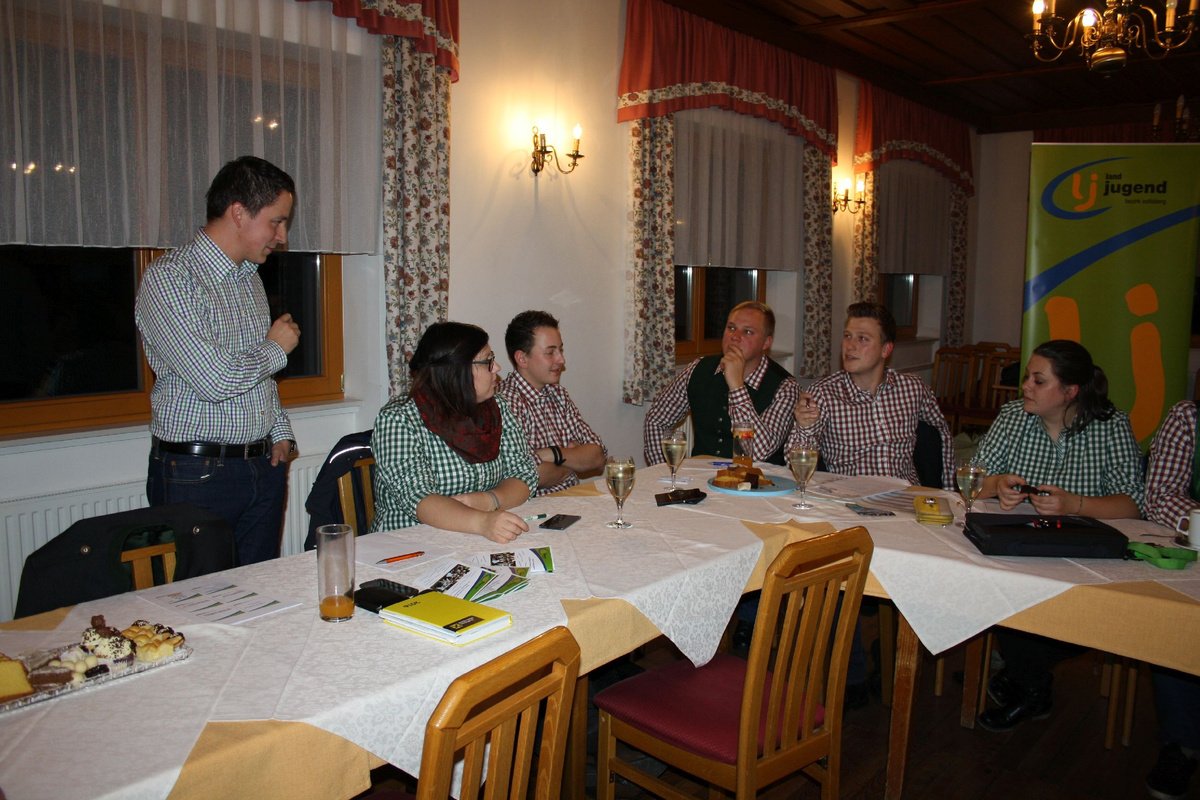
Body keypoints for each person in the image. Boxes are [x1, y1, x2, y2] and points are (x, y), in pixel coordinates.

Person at [136, 155, 300, 566]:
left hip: (261, 466)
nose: (281, 237)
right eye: (277, 221)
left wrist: (279, 430)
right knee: (201, 599)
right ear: (239, 213)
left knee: (260, 592)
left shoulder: (249, 279)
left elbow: (255, 372)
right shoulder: (170, 279)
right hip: (197, 474)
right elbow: (215, 379)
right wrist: (276, 348)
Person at [973, 339, 1144, 732]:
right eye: (1027, 378)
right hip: (1022, 545)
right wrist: (998, 485)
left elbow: (1133, 504)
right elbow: (973, 479)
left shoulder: (1110, 425)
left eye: (1038, 380)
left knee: (1067, 605)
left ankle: (1025, 680)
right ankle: (1027, 681)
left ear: (1070, 391)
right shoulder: (1013, 416)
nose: (1025, 387)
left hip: (1084, 552)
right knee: (999, 584)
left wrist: (1075, 504)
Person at [371, 322, 538, 542]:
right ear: (456, 370)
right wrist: (482, 522)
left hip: (476, 538)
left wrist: (489, 500)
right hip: (411, 543)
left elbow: (524, 474)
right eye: (488, 361)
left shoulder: (497, 408)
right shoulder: (399, 419)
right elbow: (419, 498)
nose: (497, 367)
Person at [788, 302, 955, 490]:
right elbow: (794, 462)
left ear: (886, 349)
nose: (850, 346)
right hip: (852, 497)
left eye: (862, 339)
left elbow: (942, 434)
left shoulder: (913, 388)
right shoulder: (824, 393)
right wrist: (804, 427)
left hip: (907, 495)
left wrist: (949, 492)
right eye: (847, 336)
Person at [643, 301, 799, 466]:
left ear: (766, 342)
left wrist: (737, 386)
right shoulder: (698, 368)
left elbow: (759, 453)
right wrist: (665, 469)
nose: (735, 336)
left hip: (757, 479)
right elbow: (656, 420)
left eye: (747, 331)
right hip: (701, 478)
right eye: (731, 328)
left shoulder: (786, 387)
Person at [1141, 400, 1200, 800]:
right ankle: (1183, 743)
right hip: (1193, 553)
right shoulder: (1188, 418)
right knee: (1175, 616)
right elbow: (1160, 496)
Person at [498, 310, 607, 495]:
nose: (561, 359)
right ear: (522, 359)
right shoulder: (506, 403)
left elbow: (597, 456)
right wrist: (574, 462)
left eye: (560, 350)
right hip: (535, 506)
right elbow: (530, 475)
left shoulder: (558, 394)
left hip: (572, 497)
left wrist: (553, 454)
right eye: (550, 352)